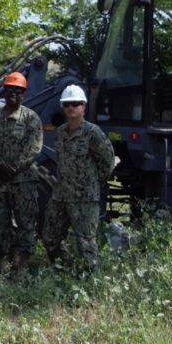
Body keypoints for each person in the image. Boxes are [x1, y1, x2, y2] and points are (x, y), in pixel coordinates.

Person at [43, 84, 116, 271]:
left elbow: (107, 161)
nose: (70, 108)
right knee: (50, 238)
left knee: (86, 244)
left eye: (75, 104)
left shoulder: (93, 133)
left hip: (85, 198)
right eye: (67, 104)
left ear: (83, 107)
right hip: (61, 196)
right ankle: (66, 268)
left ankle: (90, 282)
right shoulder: (60, 133)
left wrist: (91, 182)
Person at [0, 72, 43, 275]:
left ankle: (22, 267)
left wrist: (15, 167)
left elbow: (34, 147)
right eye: (9, 91)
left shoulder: (31, 118)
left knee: (26, 223)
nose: (12, 95)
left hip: (23, 182)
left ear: (23, 94)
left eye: (17, 91)